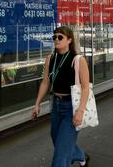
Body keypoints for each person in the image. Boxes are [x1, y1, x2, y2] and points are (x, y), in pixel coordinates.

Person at [32, 26, 90, 167]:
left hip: (71, 107)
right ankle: (81, 156)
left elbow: (85, 87)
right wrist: (37, 103)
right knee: (58, 141)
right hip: (56, 106)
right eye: (54, 37)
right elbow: (45, 82)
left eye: (60, 37)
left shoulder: (77, 60)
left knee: (60, 156)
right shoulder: (50, 58)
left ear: (69, 40)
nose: (56, 40)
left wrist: (80, 111)